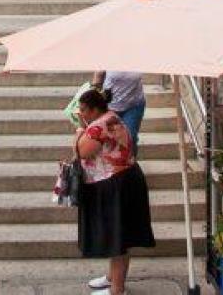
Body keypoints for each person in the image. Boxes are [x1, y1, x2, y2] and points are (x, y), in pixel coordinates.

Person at [73, 87, 154, 293]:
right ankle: (112, 279)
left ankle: (117, 289)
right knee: (119, 235)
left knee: (118, 237)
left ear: (94, 110)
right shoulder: (111, 118)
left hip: (115, 183)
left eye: (83, 109)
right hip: (125, 180)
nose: (80, 113)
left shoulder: (97, 127)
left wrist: (79, 131)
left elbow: (81, 151)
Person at [91, 70, 146, 150]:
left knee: (130, 137)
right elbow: (97, 79)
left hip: (134, 105)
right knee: (107, 139)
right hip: (109, 107)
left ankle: (130, 161)